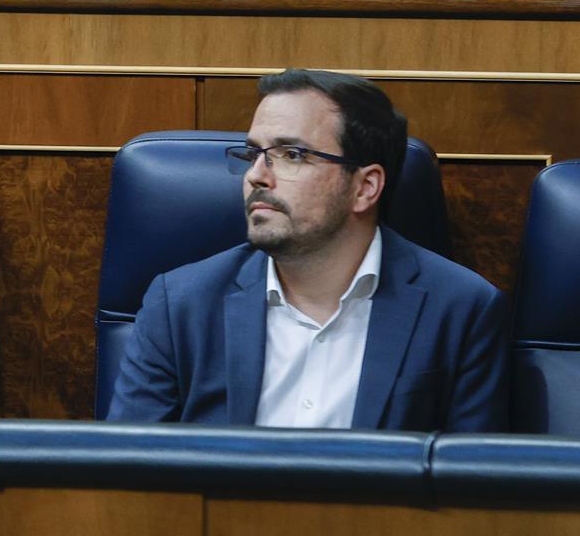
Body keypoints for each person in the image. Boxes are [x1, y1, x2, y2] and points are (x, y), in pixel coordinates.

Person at [108, 69, 508, 431]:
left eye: (291, 155)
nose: (256, 176)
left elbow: (474, 495)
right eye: (253, 154)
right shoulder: (180, 305)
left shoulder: (462, 310)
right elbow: (126, 477)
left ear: (365, 187)